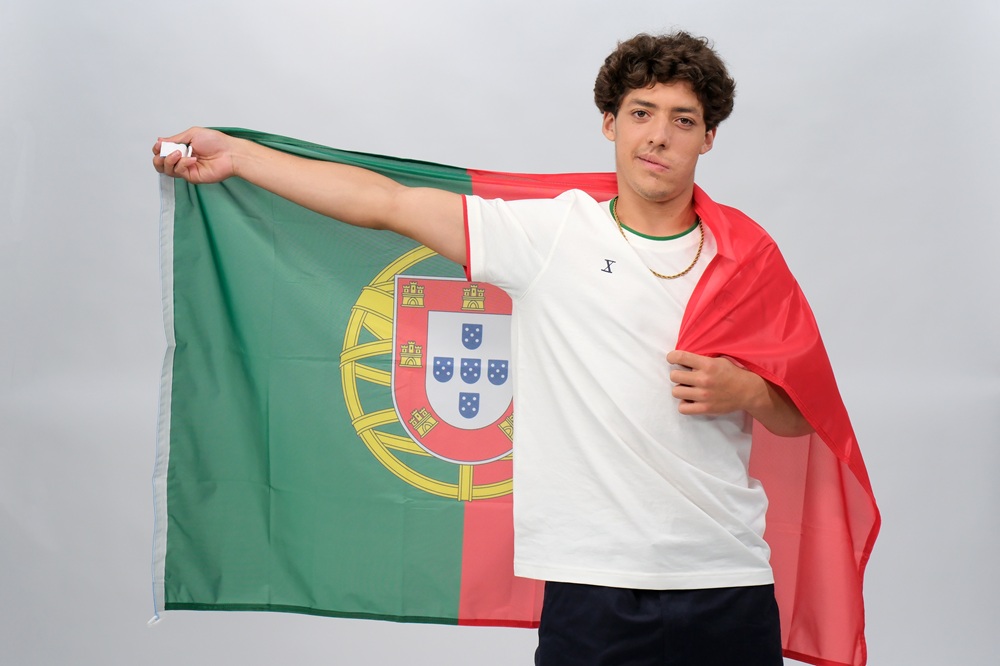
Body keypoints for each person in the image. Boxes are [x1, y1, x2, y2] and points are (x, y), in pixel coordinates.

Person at [155, 32, 816, 666]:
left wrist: (748, 391)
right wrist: (239, 156)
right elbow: (387, 202)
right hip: (591, 583)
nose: (659, 135)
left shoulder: (744, 255)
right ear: (610, 123)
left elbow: (803, 413)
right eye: (642, 113)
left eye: (683, 119)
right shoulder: (551, 235)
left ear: (709, 136)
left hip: (726, 575)